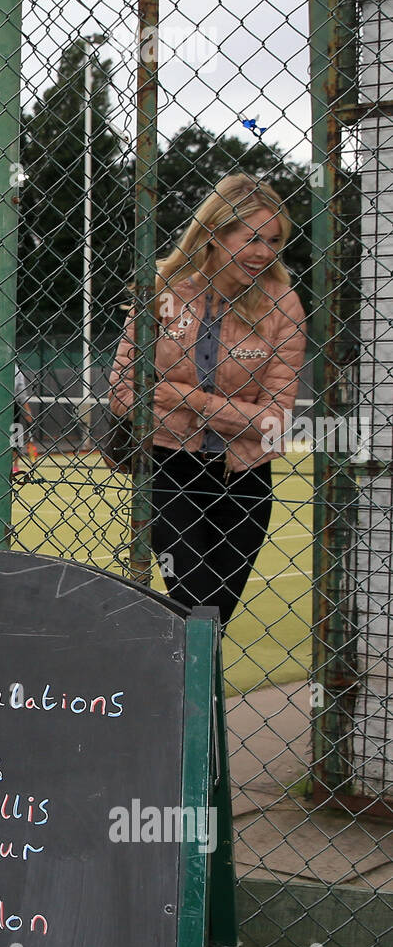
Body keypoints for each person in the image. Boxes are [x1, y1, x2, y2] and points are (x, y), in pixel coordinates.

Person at [108, 173, 306, 628]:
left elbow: (273, 420)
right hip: (168, 467)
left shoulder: (284, 304)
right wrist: (229, 412)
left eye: (274, 241)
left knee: (213, 617)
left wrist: (183, 397)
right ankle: (179, 694)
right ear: (215, 233)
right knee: (192, 604)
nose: (264, 252)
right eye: (251, 237)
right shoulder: (164, 291)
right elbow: (123, 395)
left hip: (246, 478)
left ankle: (186, 695)